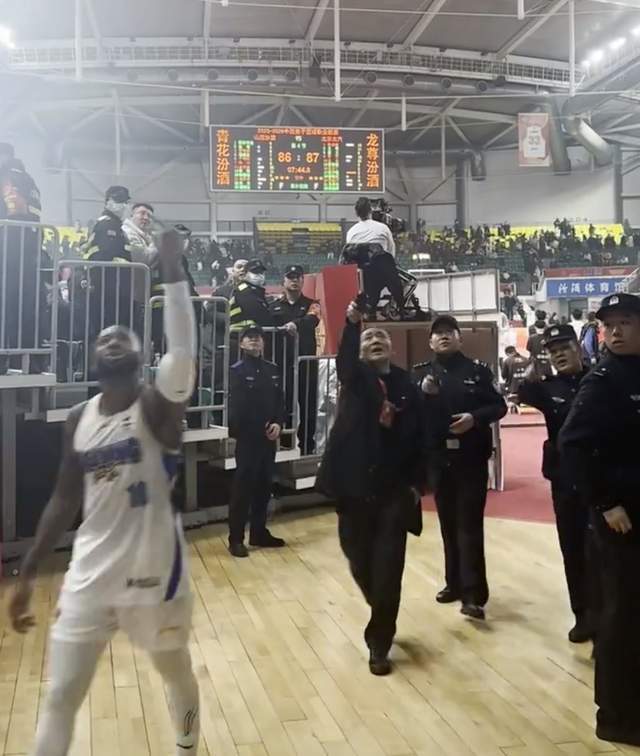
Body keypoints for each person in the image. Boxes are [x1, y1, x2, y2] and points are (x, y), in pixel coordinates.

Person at [8, 230, 200, 756]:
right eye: (104, 338)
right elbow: (63, 498)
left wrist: (171, 268)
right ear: (94, 357)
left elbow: (183, 349)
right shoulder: (78, 418)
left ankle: (186, 748)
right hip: (90, 572)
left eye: (123, 337)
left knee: (175, 671)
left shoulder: (158, 407)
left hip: (155, 574)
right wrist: (28, 572)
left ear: (140, 354)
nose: (112, 341)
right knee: (59, 696)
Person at [317, 300, 432, 675]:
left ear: (392, 347)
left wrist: (418, 483)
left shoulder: (407, 384)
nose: (376, 341)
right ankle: (379, 606)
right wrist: (352, 323)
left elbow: (421, 435)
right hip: (353, 486)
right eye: (369, 338)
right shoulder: (356, 378)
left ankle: (379, 642)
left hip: (393, 490)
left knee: (389, 568)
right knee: (357, 558)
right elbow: (345, 360)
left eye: (381, 336)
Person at [559, 292, 640, 747]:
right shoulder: (603, 380)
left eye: (627, 321)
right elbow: (572, 445)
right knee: (620, 616)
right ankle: (616, 716)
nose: (617, 330)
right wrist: (606, 502)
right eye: (611, 324)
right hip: (619, 519)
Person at [414, 315, 507, 621]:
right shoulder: (421, 374)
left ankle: (473, 595)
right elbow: (412, 415)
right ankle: (453, 583)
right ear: (430, 341)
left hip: (470, 458)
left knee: (469, 525)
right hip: (439, 459)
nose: (444, 337)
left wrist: (474, 419)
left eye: (449, 332)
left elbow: (499, 406)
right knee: (448, 524)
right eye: (438, 333)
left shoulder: (478, 372)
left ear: (459, 338)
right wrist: (424, 395)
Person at [518, 324, 593, 643]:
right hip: (564, 480)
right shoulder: (546, 388)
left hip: (600, 476)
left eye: (564, 348)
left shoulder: (598, 379)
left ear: (578, 348)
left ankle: (611, 614)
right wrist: (531, 371)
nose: (559, 355)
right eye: (553, 351)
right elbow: (522, 392)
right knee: (572, 548)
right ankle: (582, 615)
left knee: (607, 552)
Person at [227, 324, 286, 557]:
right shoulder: (237, 371)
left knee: (264, 486)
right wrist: (250, 429)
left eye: (258, 337)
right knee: (243, 489)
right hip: (248, 438)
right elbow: (237, 408)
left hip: (269, 437)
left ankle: (259, 532)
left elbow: (279, 402)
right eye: (249, 337)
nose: (254, 340)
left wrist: (278, 423)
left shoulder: (272, 369)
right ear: (241, 344)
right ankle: (236, 539)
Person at [269, 265, 322, 455]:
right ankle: (285, 445)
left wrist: (295, 324)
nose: (294, 280)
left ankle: (307, 447)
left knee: (308, 407)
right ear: (283, 281)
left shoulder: (312, 304)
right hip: (282, 365)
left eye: (298, 277)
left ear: (302, 281)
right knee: (284, 405)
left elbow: (312, 320)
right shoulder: (273, 305)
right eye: (290, 277)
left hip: (306, 365)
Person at [0, 142, 43, 373]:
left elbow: (14, 210)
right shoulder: (30, 181)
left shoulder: (7, 178)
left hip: (8, 250)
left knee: (6, 308)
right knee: (23, 311)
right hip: (28, 251)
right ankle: (25, 363)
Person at [81, 186, 136, 339]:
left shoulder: (115, 225)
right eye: (118, 200)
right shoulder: (107, 225)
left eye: (125, 201)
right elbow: (103, 256)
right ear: (107, 202)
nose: (123, 205)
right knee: (109, 329)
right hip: (109, 286)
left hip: (114, 285)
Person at [229, 258, 274, 338]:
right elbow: (259, 315)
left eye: (261, 272)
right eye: (255, 272)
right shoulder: (243, 290)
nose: (259, 275)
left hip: (249, 335)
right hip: (242, 336)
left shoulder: (256, 291)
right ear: (245, 274)